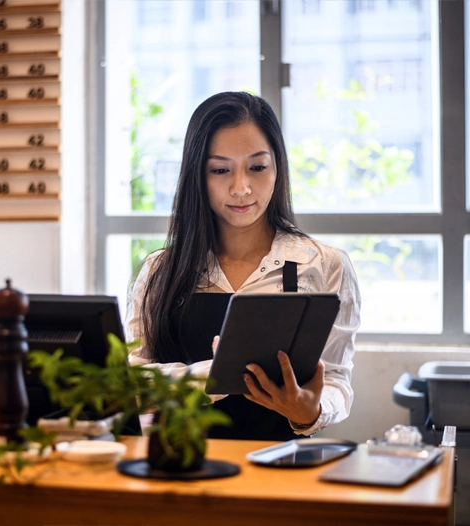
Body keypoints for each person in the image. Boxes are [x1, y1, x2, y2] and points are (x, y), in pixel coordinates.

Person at [125, 91, 361, 441]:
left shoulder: (325, 265)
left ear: (278, 168)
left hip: (277, 472)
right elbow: (132, 385)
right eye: (220, 170)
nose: (241, 188)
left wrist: (309, 410)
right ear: (197, 176)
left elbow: (337, 382)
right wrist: (212, 376)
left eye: (257, 167)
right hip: (178, 472)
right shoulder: (160, 271)